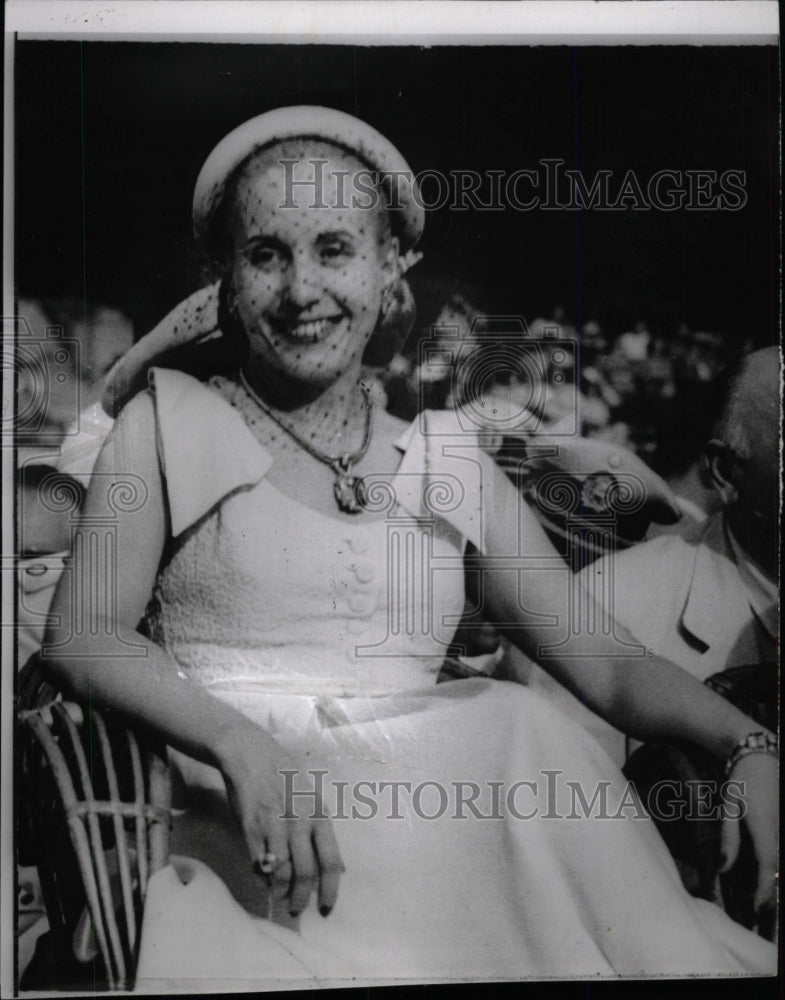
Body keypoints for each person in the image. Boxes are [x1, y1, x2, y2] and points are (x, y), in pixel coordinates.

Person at [41, 107, 776, 988]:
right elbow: (82, 636)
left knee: (520, 728)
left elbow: (610, 666)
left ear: (391, 266)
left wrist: (748, 747)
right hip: (255, 853)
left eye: (335, 249)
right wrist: (236, 740)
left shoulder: (445, 456)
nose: (300, 289)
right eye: (266, 254)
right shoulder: (166, 422)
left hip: (456, 856)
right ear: (225, 279)